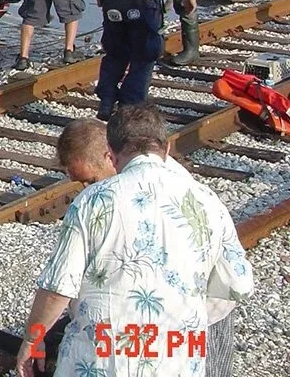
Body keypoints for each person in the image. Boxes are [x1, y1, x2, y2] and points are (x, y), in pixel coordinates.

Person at [16, 105, 252, 377]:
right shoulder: (206, 199)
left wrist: (33, 339)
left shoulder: (93, 201)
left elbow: (58, 288)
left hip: (104, 355)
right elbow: (239, 284)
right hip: (177, 354)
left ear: (112, 155)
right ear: (165, 147)